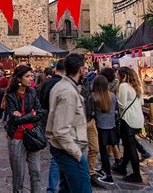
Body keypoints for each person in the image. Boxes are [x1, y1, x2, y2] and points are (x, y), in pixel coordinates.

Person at [46, 54, 91, 193]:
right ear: (79, 69)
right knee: (83, 189)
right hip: (69, 149)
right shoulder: (67, 91)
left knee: (66, 188)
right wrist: (78, 154)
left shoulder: (64, 87)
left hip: (66, 148)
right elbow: (60, 130)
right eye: (84, 68)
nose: (86, 71)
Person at [5, 65, 43, 193]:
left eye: (31, 75)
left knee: (36, 172)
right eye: (27, 76)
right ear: (19, 79)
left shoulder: (32, 92)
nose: (31, 78)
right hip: (17, 138)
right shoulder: (10, 95)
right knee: (18, 176)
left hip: (33, 135)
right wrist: (30, 114)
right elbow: (14, 119)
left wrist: (24, 116)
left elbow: (39, 114)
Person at [112, 67, 145, 183]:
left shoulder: (123, 86)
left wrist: (115, 96)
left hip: (128, 119)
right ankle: (123, 167)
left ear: (123, 75)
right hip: (138, 119)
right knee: (127, 144)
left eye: (118, 74)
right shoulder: (137, 86)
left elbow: (121, 104)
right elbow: (141, 102)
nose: (117, 77)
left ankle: (137, 174)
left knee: (130, 147)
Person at [39, 59, 65, 193]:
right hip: (57, 117)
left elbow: (40, 97)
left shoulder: (46, 82)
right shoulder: (63, 84)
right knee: (57, 156)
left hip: (45, 113)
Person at [92, 75, 118, 185]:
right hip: (111, 126)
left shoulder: (94, 97)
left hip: (100, 127)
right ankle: (104, 169)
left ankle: (108, 175)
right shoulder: (112, 96)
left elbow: (92, 113)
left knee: (103, 152)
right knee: (106, 151)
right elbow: (116, 110)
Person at [80, 67, 100, 188]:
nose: (86, 70)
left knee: (94, 148)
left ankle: (91, 173)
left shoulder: (87, 82)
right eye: (84, 68)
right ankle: (82, 175)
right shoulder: (72, 85)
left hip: (90, 120)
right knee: (80, 151)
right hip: (79, 122)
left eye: (87, 68)